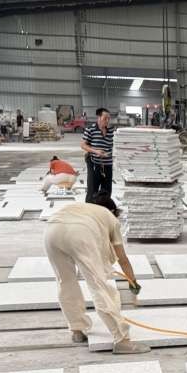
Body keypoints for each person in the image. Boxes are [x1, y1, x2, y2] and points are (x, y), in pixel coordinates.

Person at [44, 193, 146, 354]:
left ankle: (77, 330)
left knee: (65, 282)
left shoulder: (81, 208)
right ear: (112, 210)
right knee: (98, 285)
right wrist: (132, 281)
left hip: (51, 231)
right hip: (79, 232)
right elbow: (122, 258)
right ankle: (122, 341)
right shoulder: (110, 217)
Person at [81, 107, 115, 197]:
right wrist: (96, 151)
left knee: (106, 191)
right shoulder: (90, 129)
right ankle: (91, 205)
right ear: (98, 117)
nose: (107, 121)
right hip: (95, 163)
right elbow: (83, 145)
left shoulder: (111, 131)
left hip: (108, 164)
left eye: (109, 119)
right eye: (105, 118)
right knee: (92, 190)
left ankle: (104, 205)